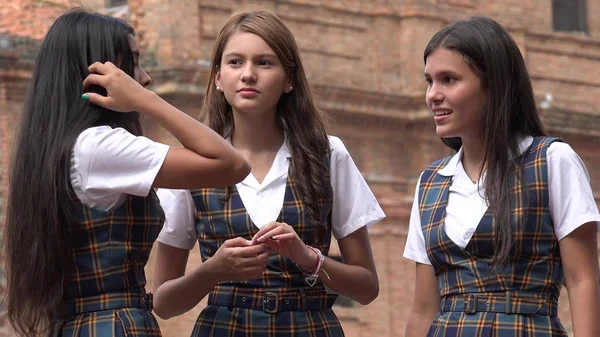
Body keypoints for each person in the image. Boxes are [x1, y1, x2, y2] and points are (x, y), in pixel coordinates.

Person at [5, 8, 250, 337]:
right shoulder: (100, 147)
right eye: (133, 62)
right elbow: (232, 164)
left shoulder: (62, 147)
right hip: (116, 325)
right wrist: (146, 100)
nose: (145, 76)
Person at [150, 10, 385, 337]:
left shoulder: (328, 155)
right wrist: (212, 271)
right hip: (222, 328)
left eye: (264, 63)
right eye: (235, 62)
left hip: (310, 326)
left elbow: (367, 287)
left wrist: (307, 257)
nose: (248, 74)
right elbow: (162, 302)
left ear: (289, 79)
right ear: (217, 78)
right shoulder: (194, 164)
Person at [403, 16, 600, 337]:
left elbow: (583, 280)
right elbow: (423, 308)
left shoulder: (550, 161)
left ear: (494, 84)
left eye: (449, 79)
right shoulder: (431, 183)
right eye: (430, 81)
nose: (432, 95)